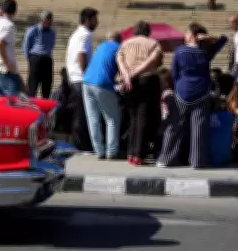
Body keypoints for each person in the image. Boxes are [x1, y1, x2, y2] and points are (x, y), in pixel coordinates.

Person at [157, 23, 227, 169]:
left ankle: (166, 158)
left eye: (187, 33)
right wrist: (209, 37)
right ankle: (197, 161)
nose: (185, 35)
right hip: (202, 91)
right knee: (199, 128)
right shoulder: (205, 52)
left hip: (182, 90)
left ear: (192, 35)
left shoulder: (180, 51)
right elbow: (223, 39)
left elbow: (174, 72)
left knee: (175, 125)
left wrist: (178, 86)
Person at [117, 21, 164, 166]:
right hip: (147, 80)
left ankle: (130, 153)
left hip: (128, 82)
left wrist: (126, 75)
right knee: (143, 117)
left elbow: (119, 59)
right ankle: (139, 154)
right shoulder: (154, 43)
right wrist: (135, 73)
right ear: (148, 31)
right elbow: (153, 61)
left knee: (133, 117)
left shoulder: (125, 43)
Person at [82, 31, 123, 159]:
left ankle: (99, 150)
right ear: (119, 40)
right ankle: (112, 151)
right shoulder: (119, 48)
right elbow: (121, 70)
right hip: (103, 84)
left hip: (87, 81)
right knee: (112, 118)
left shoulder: (100, 46)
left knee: (93, 118)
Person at [66, 7, 99, 151]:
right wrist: (87, 74)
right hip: (80, 78)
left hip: (74, 77)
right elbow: (81, 55)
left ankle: (79, 142)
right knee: (82, 114)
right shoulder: (85, 35)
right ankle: (81, 144)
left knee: (79, 112)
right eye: (94, 20)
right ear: (86, 20)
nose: (97, 23)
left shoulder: (76, 34)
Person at [22, 11, 56, 98]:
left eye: (50, 20)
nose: (49, 22)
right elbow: (26, 45)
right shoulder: (33, 30)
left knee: (47, 87)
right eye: (47, 20)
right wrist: (30, 59)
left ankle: (45, 103)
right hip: (35, 59)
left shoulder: (52, 32)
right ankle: (31, 103)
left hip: (47, 60)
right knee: (32, 86)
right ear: (42, 20)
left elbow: (51, 45)